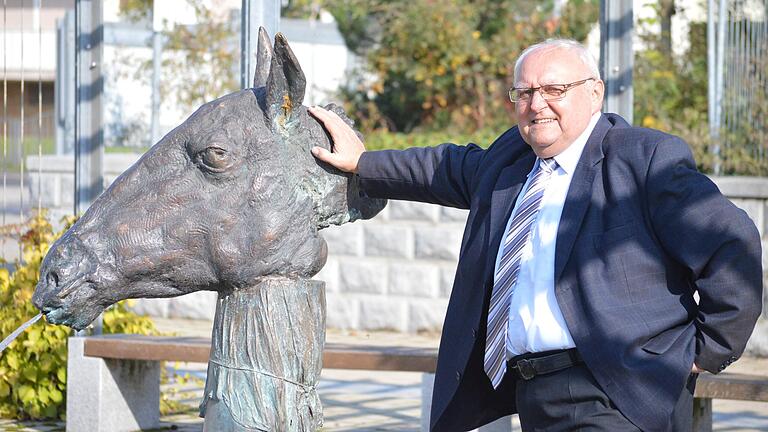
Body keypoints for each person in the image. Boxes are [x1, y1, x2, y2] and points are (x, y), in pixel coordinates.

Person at [308, 39, 763, 432]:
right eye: (523, 92)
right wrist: (362, 164)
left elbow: (731, 243)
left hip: (621, 393)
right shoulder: (511, 162)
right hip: (534, 392)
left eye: (554, 90)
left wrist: (706, 351)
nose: (536, 103)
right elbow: (443, 167)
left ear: (595, 93)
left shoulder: (642, 158)